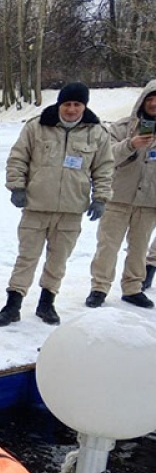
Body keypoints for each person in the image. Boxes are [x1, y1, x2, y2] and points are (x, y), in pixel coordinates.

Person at [0, 82, 113, 327]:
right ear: (59, 104)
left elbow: (104, 169)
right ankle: (13, 303)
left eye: (76, 104)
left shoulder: (97, 133)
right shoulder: (37, 127)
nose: (71, 109)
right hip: (36, 205)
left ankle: (47, 302)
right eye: (66, 104)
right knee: (27, 257)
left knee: (58, 260)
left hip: (71, 209)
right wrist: (16, 186)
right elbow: (18, 158)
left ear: (84, 106)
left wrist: (100, 198)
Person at [84, 80, 156, 309]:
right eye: (150, 99)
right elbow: (106, 157)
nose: (154, 104)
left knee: (139, 248)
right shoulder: (121, 127)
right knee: (108, 246)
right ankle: (99, 287)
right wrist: (131, 145)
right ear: (142, 101)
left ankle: (133, 288)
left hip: (149, 202)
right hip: (118, 198)